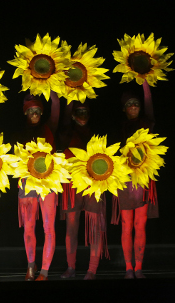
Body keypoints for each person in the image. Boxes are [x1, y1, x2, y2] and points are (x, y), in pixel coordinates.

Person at [113, 81, 158, 279]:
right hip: (125, 180)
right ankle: (128, 269)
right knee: (126, 225)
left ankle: (138, 268)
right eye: (129, 104)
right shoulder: (119, 129)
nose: (133, 106)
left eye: (136, 103)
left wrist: (145, 81)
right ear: (124, 109)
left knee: (140, 224)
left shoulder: (146, 123)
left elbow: (149, 102)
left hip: (143, 179)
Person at [58, 101, 108, 280]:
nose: (82, 115)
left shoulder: (97, 134)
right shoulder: (66, 134)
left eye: (85, 111)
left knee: (94, 227)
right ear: (72, 114)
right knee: (71, 228)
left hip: (93, 186)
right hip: (72, 186)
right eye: (78, 111)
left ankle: (92, 270)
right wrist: (70, 100)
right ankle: (71, 267)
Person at [13, 92, 59, 281]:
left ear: (41, 111)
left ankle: (45, 271)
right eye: (30, 110)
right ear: (25, 112)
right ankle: (31, 266)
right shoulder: (19, 133)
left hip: (48, 182)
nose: (34, 113)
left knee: (48, 227)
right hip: (26, 183)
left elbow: (56, 106)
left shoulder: (49, 127)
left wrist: (50, 84)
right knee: (29, 227)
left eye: (37, 110)